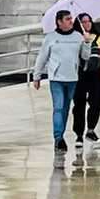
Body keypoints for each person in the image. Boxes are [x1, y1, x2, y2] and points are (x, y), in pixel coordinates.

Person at [31, 9, 83, 150]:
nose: (71, 21)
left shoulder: (78, 36)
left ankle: (62, 134)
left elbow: (84, 56)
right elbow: (42, 57)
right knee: (58, 107)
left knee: (66, 108)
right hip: (56, 78)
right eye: (67, 19)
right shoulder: (51, 37)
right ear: (59, 22)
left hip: (73, 77)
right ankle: (58, 138)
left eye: (71, 18)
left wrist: (88, 43)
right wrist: (37, 76)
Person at [70, 14, 100, 146]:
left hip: (95, 75)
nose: (87, 24)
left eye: (89, 21)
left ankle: (91, 129)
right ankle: (79, 135)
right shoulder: (76, 38)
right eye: (84, 22)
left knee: (96, 103)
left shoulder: (99, 38)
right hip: (80, 75)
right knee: (79, 104)